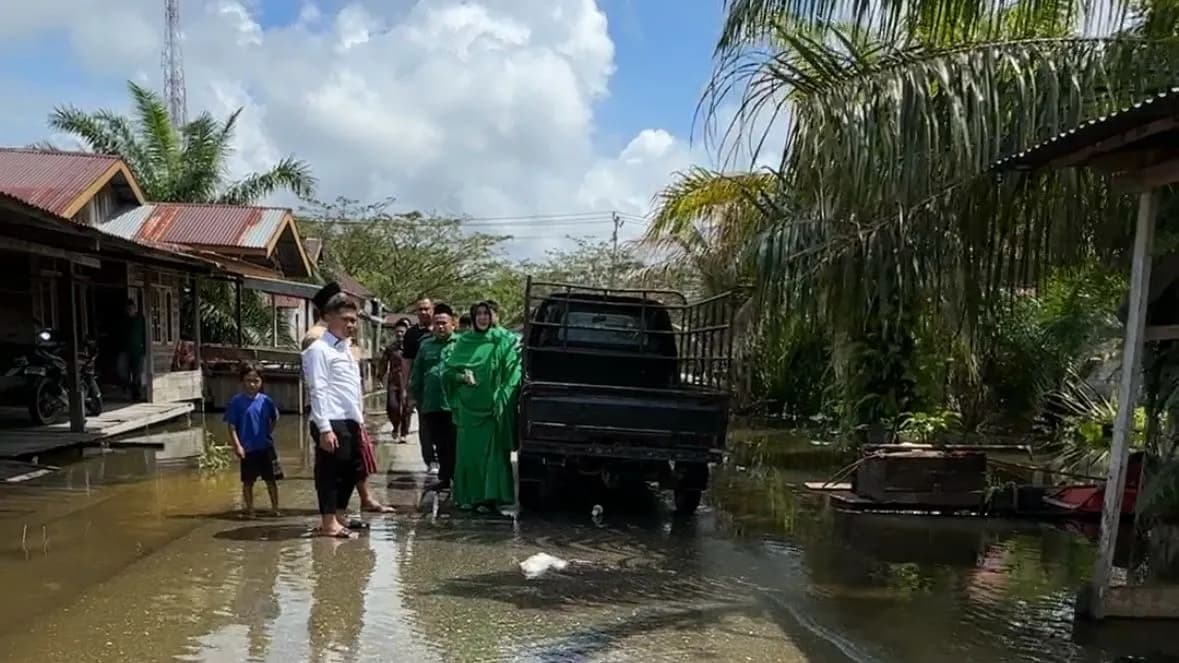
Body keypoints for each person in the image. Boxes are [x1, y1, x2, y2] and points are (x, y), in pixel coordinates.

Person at [303, 284, 391, 539]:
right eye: (346, 319)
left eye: (354, 320)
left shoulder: (344, 349)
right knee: (330, 473)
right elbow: (317, 389)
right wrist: (325, 428)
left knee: (352, 470)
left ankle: (340, 516)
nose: (351, 324)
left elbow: (351, 390)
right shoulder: (318, 350)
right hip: (329, 419)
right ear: (328, 318)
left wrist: (360, 421)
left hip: (350, 419)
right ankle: (328, 522)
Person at [443, 301, 521, 512]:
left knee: (492, 456)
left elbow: (514, 372)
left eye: (487, 313)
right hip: (468, 410)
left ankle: (490, 498)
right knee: (470, 455)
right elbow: (447, 373)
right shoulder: (464, 342)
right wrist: (461, 376)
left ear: (494, 316)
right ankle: (471, 497)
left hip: (493, 410)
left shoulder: (504, 341)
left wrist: (502, 398)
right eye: (478, 314)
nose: (483, 317)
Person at [224, 362, 281, 518]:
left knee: (271, 480)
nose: (252, 384)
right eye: (248, 380)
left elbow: (274, 418)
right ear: (242, 381)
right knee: (248, 482)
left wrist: (268, 433)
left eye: (256, 381)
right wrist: (237, 446)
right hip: (248, 449)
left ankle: (275, 508)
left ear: (261, 382)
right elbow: (232, 426)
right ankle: (250, 510)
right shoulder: (236, 402)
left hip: (266, 447)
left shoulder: (266, 401)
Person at [410, 303, 458, 490]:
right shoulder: (425, 345)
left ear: (452, 324)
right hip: (431, 403)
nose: (440, 326)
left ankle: (459, 478)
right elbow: (417, 373)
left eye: (444, 323)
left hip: (454, 404)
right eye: (437, 323)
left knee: (455, 443)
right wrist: (413, 397)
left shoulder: (460, 344)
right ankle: (445, 477)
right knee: (439, 443)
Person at [402, 298, 435, 472]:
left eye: (426, 309)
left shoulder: (443, 330)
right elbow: (406, 362)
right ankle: (430, 460)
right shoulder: (411, 334)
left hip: (443, 387)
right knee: (425, 424)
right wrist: (406, 388)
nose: (423, 312)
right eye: (420, 309)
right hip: (422, 386)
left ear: (433, 309)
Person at [378, 318, 411, 442]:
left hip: (408, 380)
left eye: (402, 332)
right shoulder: (391, 348)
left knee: (407, 408)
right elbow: (383, 363)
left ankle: (404, 433)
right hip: (394, 380)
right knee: (392, 406)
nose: (400, 334)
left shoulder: (411, 348)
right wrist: (380, 378)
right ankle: (395, 426)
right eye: (397, 332)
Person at [123, 299, 147, 400]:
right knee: (126, 371)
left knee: (137, 372)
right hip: (128, 350)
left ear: (135, 309)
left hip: (138, 350)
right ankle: (130, 389)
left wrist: (145, 348)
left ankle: (136, 392)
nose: (130, 311)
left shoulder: (140, 319)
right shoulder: (125, 321)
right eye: (128, 309)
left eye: (131, 309)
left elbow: (145, 334)